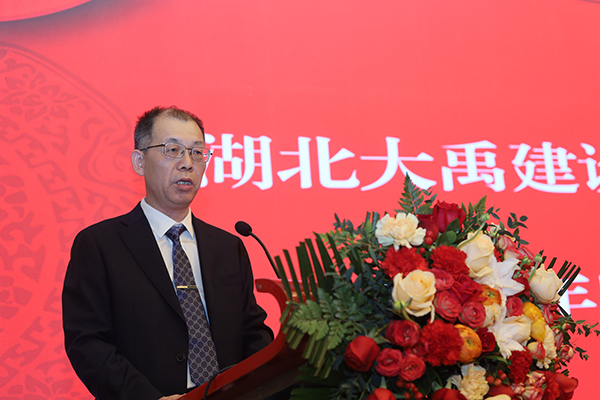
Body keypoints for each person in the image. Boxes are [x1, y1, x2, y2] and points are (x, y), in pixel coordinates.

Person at [62, 106, 273, 400]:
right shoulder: (100, 244)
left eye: (197, 153)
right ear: (139, 161)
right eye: (172, 150)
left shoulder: (228, 247)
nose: (187, 164)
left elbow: (252, 333)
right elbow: (88, 343)